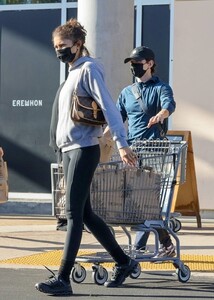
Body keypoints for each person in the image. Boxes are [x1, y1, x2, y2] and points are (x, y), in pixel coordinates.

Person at [35, 18, 138, 296]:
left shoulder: (89, 68)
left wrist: (121, 142)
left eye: (63, 46)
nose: (59, 51)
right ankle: (124, 261)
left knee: (72, 215)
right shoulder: (72, 72)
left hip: (84, 148)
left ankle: (63, 279)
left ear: (78, 44)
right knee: (86, 214)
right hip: (69, 150)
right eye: (56, 47)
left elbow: (108, 106)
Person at [104, 46, 176, 258]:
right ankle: (160, 244)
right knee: (135, 200)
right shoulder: (127, 93)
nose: (134, 67)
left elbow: (169, 104)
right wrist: (101, 138)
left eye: (138, 63)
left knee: (146, 199)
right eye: (132, 64)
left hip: (154, 149)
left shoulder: (161, 87)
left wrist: (161, 114)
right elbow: (117, 119)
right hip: (132, 150)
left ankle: (146, 246)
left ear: (150, 64)